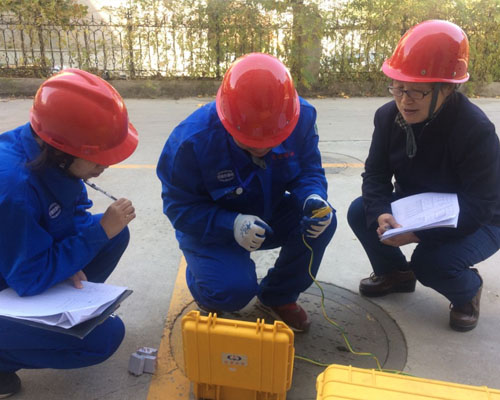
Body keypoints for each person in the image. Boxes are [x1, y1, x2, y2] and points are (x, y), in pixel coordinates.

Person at [157, 53, 336, 333]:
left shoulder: (300, 117)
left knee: (322, 222)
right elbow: (179, 207)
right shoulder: (191, 141)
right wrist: (231, 224)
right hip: (212, 226)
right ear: (227, 120)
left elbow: (309, 170)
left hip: (268, 211)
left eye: (272, 139)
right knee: (229, 292)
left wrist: (312, 197)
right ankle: (205, 277)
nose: (261, 147)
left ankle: (279, 294)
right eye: (249, 142)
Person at [347, 20, 500, 332]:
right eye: (398, 87)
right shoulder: (387, 117)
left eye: (418, 91)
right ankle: (396, 274)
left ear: (448, 88)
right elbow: (375, 175)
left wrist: (418, 235)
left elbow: (480, 206)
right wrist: (381, 212)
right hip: (422, 204)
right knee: (362, 211)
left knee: (430, 263)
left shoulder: (475, 130)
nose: (405, 100)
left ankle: (467, 290)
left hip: (482, 218)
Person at [0, 69, 138, 398]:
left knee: (114, 234)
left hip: (17, 263)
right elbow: (28, 277)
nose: (105, 166)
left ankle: (69, 309)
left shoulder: (45, 150)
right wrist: (92, 238)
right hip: (16, 276)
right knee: (101, 339)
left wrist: (78, 253)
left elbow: (71, 213)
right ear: (61, 151)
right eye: (96, 159)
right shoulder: (15, 187)